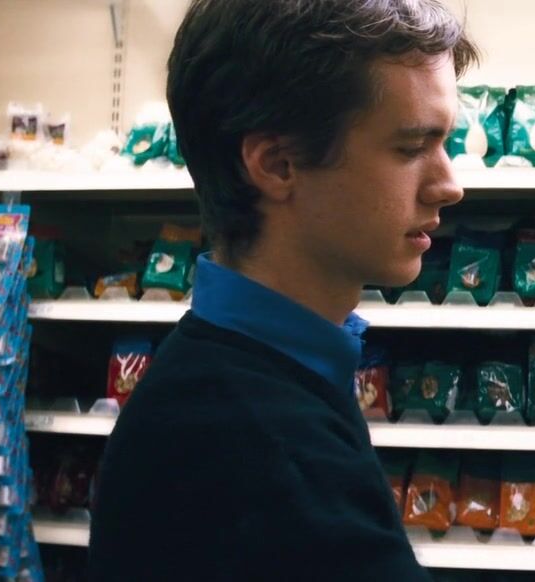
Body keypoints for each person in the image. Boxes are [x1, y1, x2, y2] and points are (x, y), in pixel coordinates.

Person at [89, 0, 473, 580]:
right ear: (277, 165)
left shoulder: (241, 376)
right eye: (411, 147)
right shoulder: (260, 459)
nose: (449, 185)